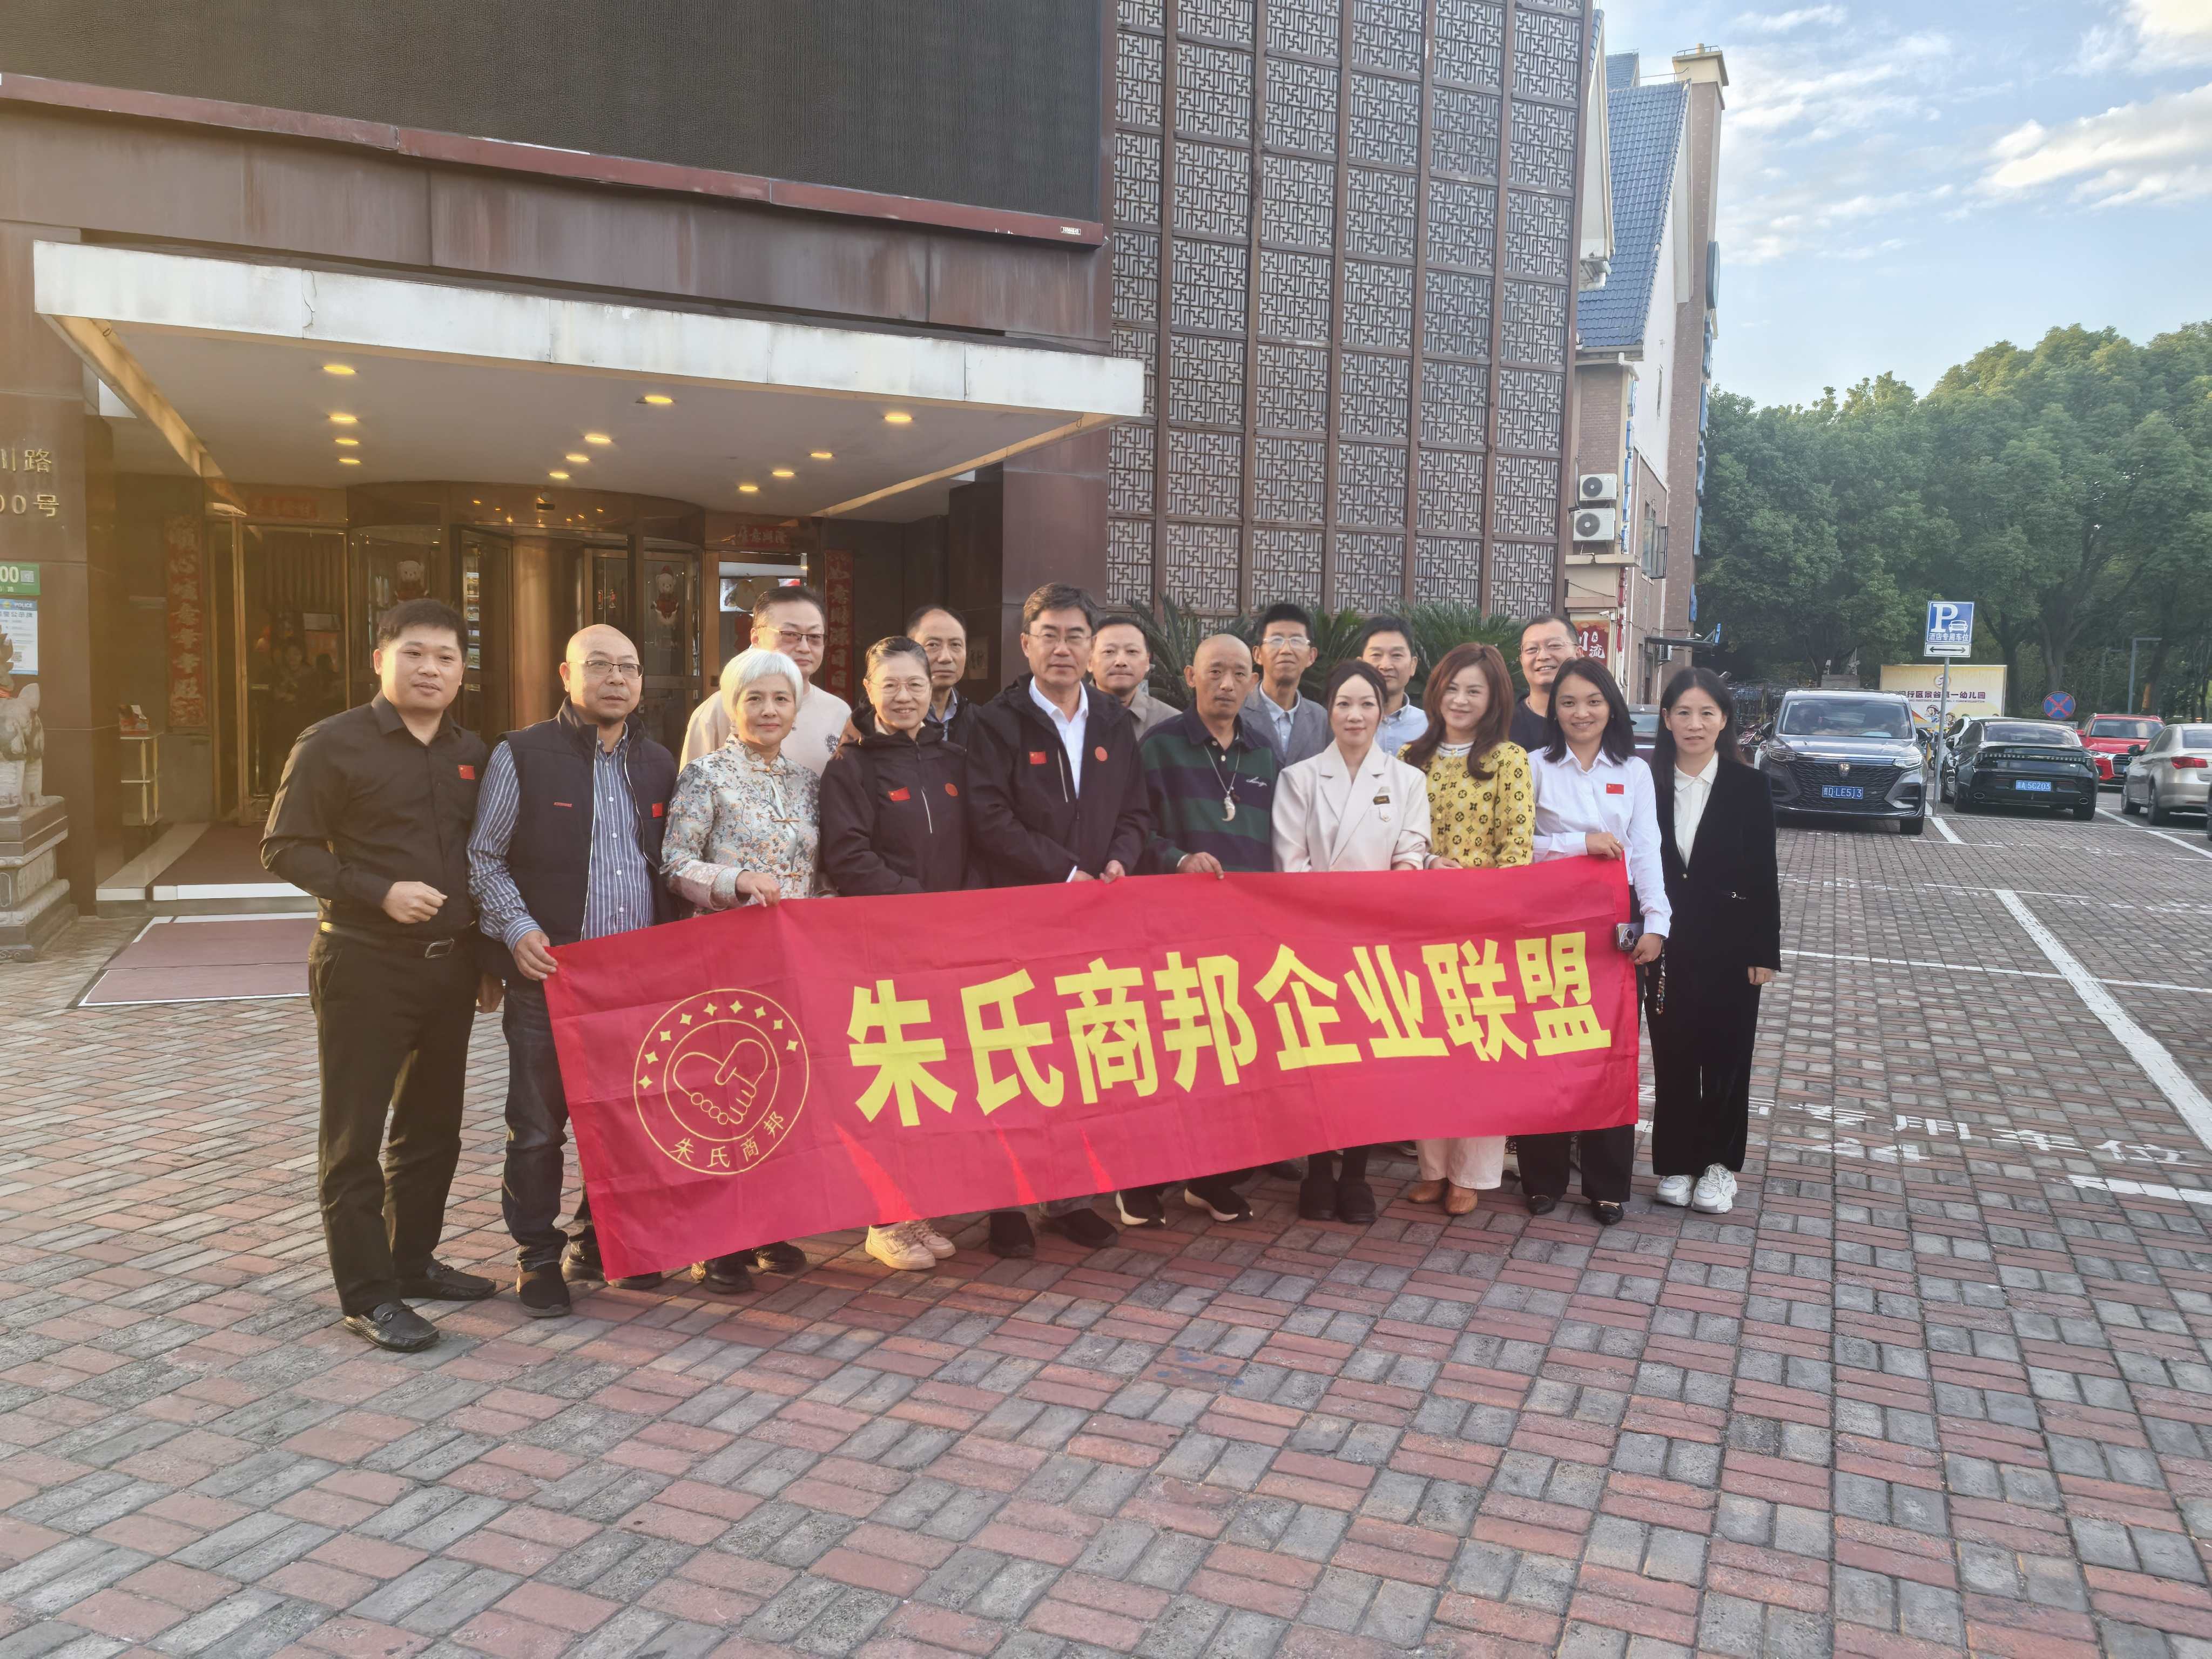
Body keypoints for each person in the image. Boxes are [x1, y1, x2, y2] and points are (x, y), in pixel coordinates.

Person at [261, 598, 500, 1353]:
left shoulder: (472, 751)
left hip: (449, 968)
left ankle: (412, 1262)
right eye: (414, 654)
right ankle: (367, 1295)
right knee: (354, 1137)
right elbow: (283, 846)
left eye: (446, 657)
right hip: (363, 962)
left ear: (462, 670)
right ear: (380, 660)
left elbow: (483, 860)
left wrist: (485, 958)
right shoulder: (332, 743)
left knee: (433, 1129)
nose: (431, 669)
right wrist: (377, 890)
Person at [468, 624, 678, 1318]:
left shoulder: (657, 762)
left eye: (629, 667)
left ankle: (598, 1239)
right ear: (566, 674)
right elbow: (484, 857)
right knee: (537, 1127)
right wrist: (517, 929)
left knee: (623, 1119)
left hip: (633, 983)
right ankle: (536, 1255)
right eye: (600, 665)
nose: (617, 678)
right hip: (551, 978)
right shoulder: (522, 753)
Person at [967, 582, 1152, 1258]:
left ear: (1091, 648)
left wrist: (1119, 861)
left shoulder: (1112, 722)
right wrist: (1066, 873)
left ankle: (1069, 1196)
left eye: (1076, 636)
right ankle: (1005, 1204)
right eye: (1049, 635)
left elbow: (1135, 811)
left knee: (1078, 1058)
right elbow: (988, 817)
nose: (1063, 648)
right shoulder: (994, 723)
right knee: (1014, 1061)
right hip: (1019, 916)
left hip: (1092, 920)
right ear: (1026, 644)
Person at [662, 647, 827, 1293]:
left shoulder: (807, 782)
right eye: (753, 698)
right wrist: (735, 881)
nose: (767, 710)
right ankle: (716, 1240)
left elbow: (817, 873)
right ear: (731, 707)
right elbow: (675, 864)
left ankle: (766, 1224)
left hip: (789, 965)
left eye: (780, 699)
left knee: (779, 1094)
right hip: (721, 961)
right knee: (721, 1101)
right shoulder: (705, 776)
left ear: (796, 709)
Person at [820, 637, 971, 1272]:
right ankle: (883, 1220)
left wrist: (961, 911)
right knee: (890, 1085)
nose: (904, 697)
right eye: (891, 685)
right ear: (869, 690)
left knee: (936, 1082)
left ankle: (917, 1211)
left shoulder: (954, 757)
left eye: (915, 684)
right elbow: (848, 857)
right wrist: (917, 904)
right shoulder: (850, 768)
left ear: (933, 688)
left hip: (948, 946)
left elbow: (976, 843)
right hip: (882, 950)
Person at [1120, 633, 1279, 1229]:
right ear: (1190, 676)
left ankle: (1210, 1178)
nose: (1227, 684)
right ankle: (1142, 1182)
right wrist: (1178, 859)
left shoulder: (1264, 754)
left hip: (1240, 937)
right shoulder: (1159, 746)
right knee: (1165, 1055)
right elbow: (1133, 829)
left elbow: (1281, 843)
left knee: (1225, 1057)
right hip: (1170, 932)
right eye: (1215, 672)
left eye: (1239, 673)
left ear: (1253, 680)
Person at [1273, 660, 1432, 1224]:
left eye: (1367, 704)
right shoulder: (1298, 778)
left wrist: (1382, 905)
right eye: (1343, 703)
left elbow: (1411, 854)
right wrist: (1332, 916)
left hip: (1378, 941)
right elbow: (1290, 864)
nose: (1355, 715)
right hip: (1314, 941)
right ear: (1329, 710)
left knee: (1370, 1062)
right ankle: (1318, 1171)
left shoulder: (1408, 780)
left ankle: (1357, 1175)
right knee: (1321, 1061)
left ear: (1384, 711)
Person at [1517, 657, 1671, 1225]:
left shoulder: (1633, 772)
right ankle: (1542, 1179)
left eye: (1592, 701)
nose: (1580, 713)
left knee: (1610, 1052)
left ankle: (1607, 1185)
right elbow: (1517, 844)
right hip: (1549, 921)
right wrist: (1577, 844)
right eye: (1568, 703)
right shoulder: (1533, 765)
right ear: (1553, 711)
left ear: (1611, 707)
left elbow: (1647, 849)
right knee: (1547, 1048)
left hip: (1614, 923)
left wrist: (1657, 922)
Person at [1399, 642, 1534, 1217]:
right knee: (1426, 1048)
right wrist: (1429, 863)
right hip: (1421, 924)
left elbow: (1517, 849)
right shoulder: (1409, 757)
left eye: (1474, 690)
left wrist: (1486, 903)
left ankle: (1472, 1174)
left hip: (1484, 930)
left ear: (1493, 698)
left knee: (1480, 1051)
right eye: (1452, 688)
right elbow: (1399, 837)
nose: (1460, 700)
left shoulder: (1509, 759)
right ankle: (1432, 1168)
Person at [1646, 666, 1778, 1217]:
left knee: (1726, 1055)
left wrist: (1763, 951)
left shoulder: (1748, 786)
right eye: (1683, 712)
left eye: (1706, 713)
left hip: (1731, 944)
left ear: (1724, 720)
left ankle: (1721, 1165)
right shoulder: (1647, 781)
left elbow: (1763, 872)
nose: (1694, 724)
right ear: (1666, 719)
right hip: (1666, 944)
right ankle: (1677, 1162)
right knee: (1673, 1054)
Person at [681, 584, 852, 777]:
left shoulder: (839, 712)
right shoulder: (721, 707)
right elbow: (693, 782)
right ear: (756, 638)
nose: (804, 648)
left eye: (814, 637)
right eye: (790, 635)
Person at [1243, 602, 1330, 766]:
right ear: (1258, 654)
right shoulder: (1237, 713)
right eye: (1276, 640)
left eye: (1297, 641)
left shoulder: (1321, 719)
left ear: (1311, 656)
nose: (1286, 650)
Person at [1091, 613, 1176, 737]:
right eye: (1109, 651)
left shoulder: (1171, 723)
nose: (1121, 662)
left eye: (1132, 651)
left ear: (1147, 662)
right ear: (1089, 661)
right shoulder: (1066, 717)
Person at [907, 604, 980, 749]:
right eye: (933, 645)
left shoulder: (979, 721)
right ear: (908, 651)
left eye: (956, 645)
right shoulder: (882, 721)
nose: (946, 658)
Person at [1357, 615, 1427, 758]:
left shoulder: (1431, 727)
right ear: (1360, 664)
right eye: (1376, 655)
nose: (1386, 666)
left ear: (1413, 665)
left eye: (1396, 655)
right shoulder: (1341, 723)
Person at [1512, 615, 1577, 751]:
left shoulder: (1600, 722)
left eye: (1554, 646)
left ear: (1578, 653)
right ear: (1521, 660)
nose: (1542, 656)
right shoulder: (1502, 726)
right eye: (1531, 649)